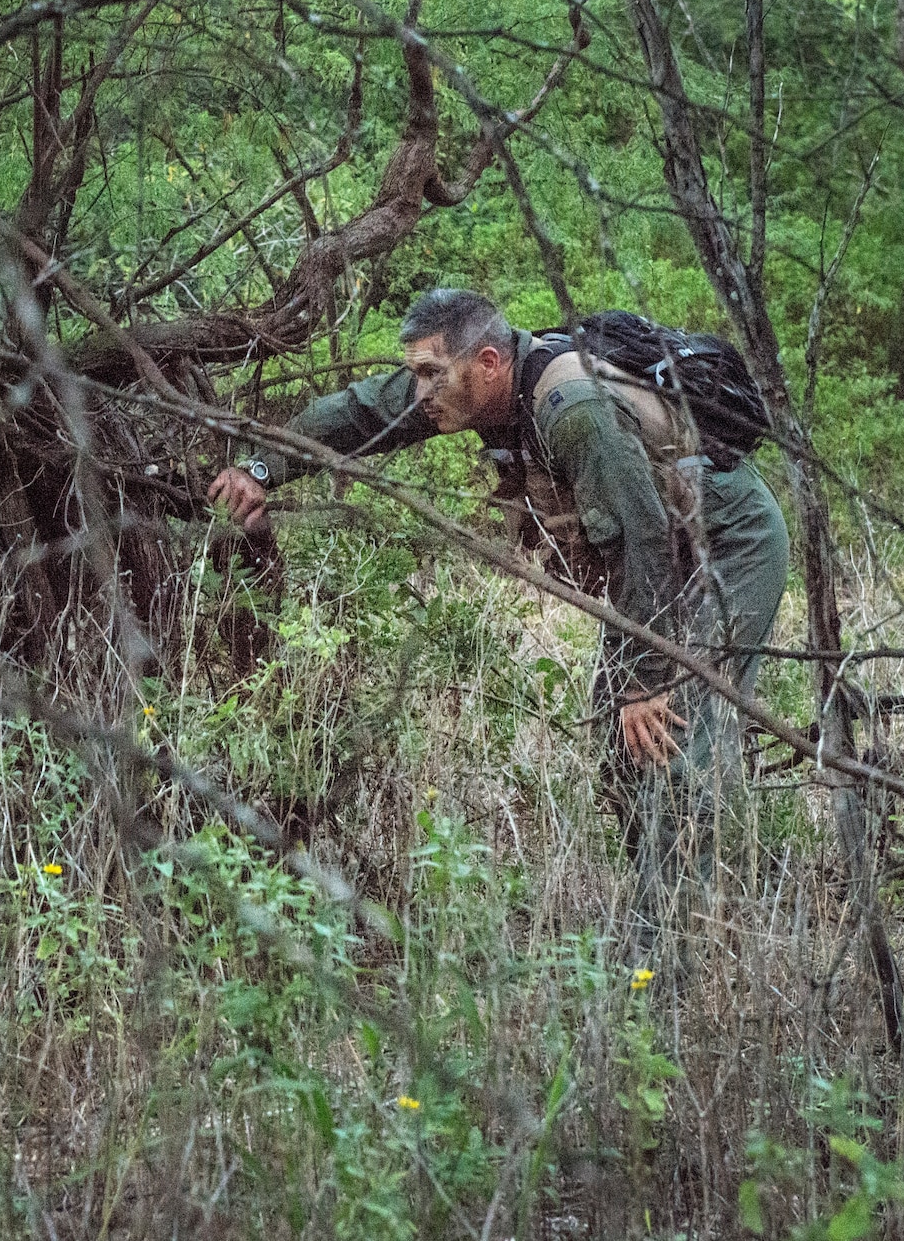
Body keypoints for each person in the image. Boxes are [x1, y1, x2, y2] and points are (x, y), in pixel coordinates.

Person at [210, 288, 789, 954]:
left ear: (487, 361)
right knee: (618, 744)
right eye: (417, 372)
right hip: (656, 559)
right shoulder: (468, 389)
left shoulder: (574, 412)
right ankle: (655, 906)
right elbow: (358, 412)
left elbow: (643, 544)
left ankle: (665, 961)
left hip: (729, 548)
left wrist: (646, 680)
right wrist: (260, 469)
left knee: (676, 744)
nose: (420, 390)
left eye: (431, 373)